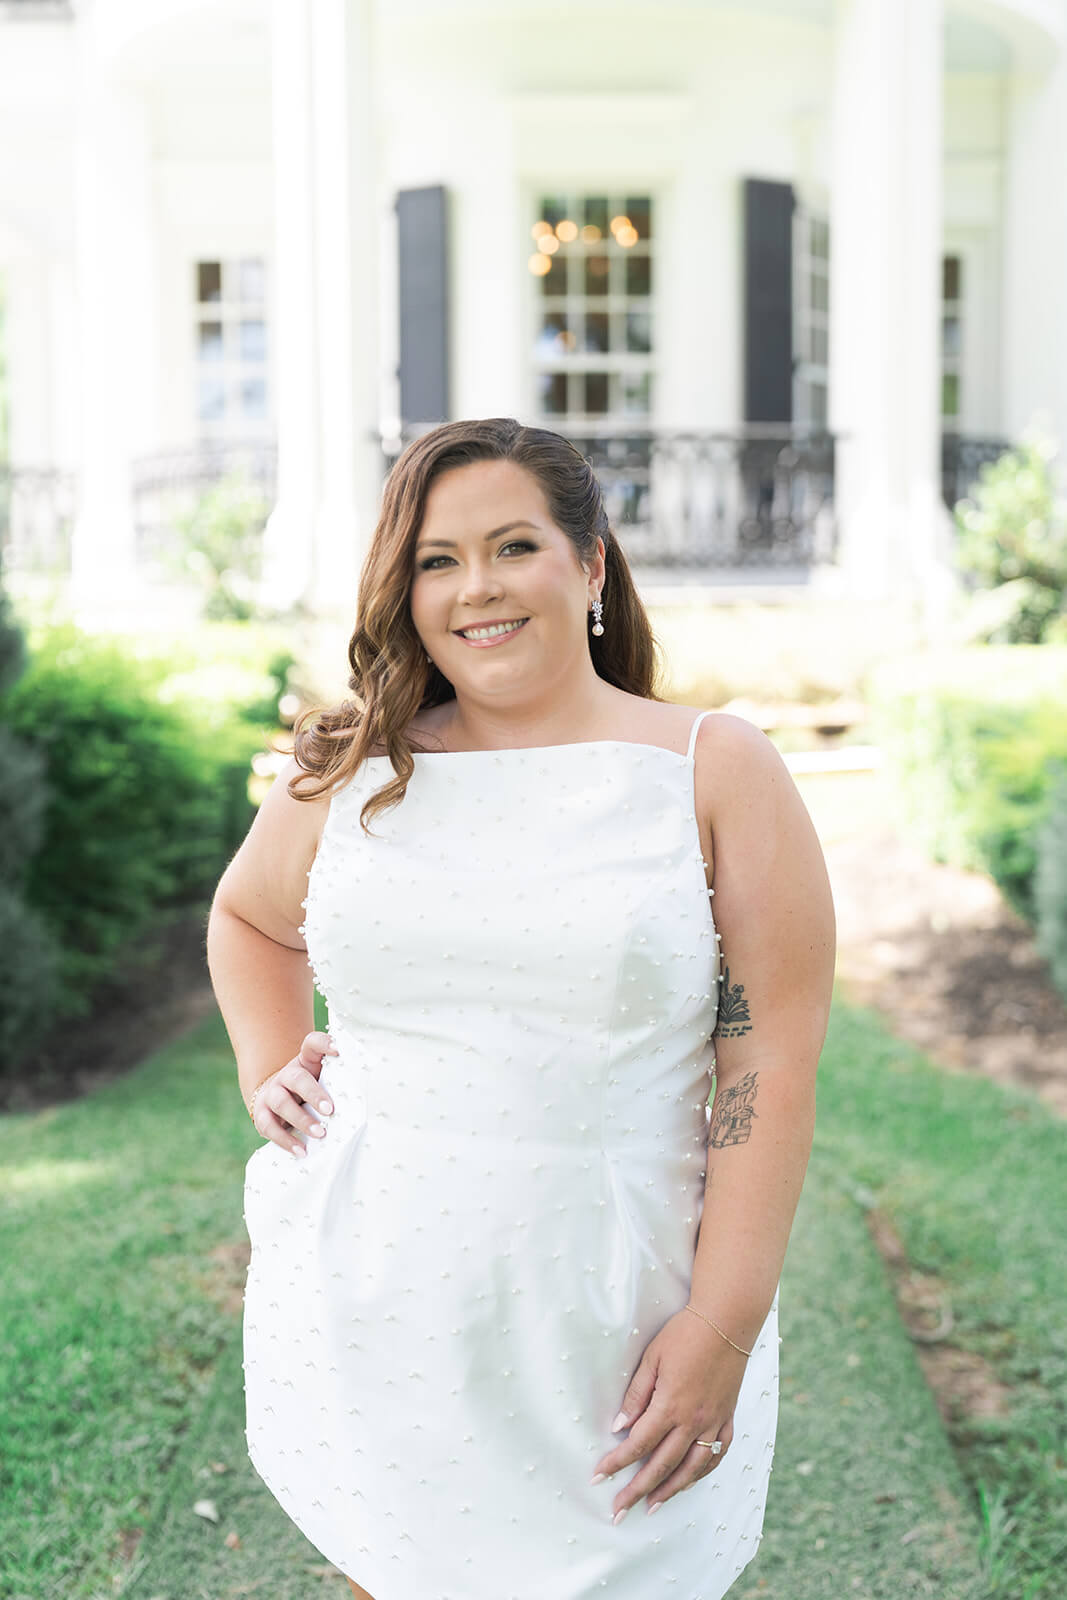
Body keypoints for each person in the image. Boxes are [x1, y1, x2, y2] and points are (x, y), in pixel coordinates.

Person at [206, 416, 836, 1600]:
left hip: (609, 1301)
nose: (474, 587)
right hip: (374, 1276)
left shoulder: (714, 768)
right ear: (403, 588)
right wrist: (267, 1062)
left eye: (511, 546)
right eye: (436, 559)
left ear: (588, 565)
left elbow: (765, 1067)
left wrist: (720, 1326)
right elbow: (246, 921)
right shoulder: (350, 770)